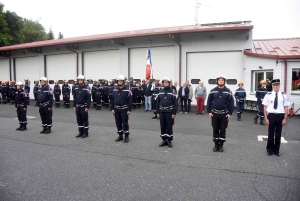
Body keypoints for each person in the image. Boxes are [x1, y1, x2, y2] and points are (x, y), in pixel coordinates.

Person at [207, 75, 234, 152]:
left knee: (223, 129)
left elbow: (231, 103)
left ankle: (221, 145)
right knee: (215, 129)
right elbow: (209, 102)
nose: (221, 81)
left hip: (224, 114)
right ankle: (216, 145)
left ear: (224, 81)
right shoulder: (213, 91)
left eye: (222, 80)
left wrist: (229, 113)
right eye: (219, 80)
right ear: (217, 81)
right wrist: (209, 112)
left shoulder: (228, 91)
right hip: (214, 114)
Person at [263, 79, 290, 156]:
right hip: (271, 115)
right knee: (270, 133)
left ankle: (276, 150)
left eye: (277, 85)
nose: (276, 87)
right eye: (274, 85)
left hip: (280, 116)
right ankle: (269, 149)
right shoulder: (268, 95)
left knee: (278, 134)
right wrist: (266, 118)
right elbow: (265, 107)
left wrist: (285, 118)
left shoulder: (284, 95)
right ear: (272, 86)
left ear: (279, 86)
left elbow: (286, 107)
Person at [156, 77, 178, 148]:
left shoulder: (173, 91)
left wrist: (174, 113)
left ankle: (169, 140)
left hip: (169, 112)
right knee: (162, 126)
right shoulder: (160, 91)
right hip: (162, 112)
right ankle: (164, 140)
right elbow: (157, 103)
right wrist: (157, 112)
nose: (165, 83)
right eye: (164, 82)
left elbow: (175, 103)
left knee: (169, 126)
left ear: (169, 83)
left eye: (167, 82)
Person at [111, 75, 132, 143]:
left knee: (125, 123)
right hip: (116, 109)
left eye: (121, 81)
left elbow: (130, 101)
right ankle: (120, 135)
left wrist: (129, 109)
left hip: (124, 109)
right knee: (118, 123)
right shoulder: (115, 90)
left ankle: (126, 135)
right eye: (118, 81)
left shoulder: (127, 90)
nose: (119, 82)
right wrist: (112, 108)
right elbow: (112, 100)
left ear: (123, 82)